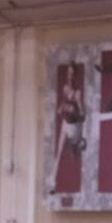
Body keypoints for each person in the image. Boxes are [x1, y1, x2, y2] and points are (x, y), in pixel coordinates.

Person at [50, 62, 86, 193]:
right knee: (58, 153)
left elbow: (82, 114)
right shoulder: (65, 88)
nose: (69, 76)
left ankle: (78, 144)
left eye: (72, 73)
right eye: (68, 73)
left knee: (74, 149)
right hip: (65, 124)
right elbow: (61, 108)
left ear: (75, 75)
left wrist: (73, 109)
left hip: (74, 126)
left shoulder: (77, 93)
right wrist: (62, 109)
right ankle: (52, 184)